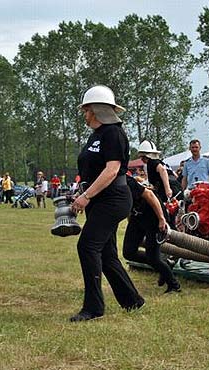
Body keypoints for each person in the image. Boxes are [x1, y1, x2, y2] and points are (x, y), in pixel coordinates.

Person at [70, 85, 144, 322]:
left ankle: (93, 308)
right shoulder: (97, 135)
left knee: (88, 247)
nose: (84, 114)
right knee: (107, 253)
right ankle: (132, 300)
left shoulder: (113, 133)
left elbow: (112, 170)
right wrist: (83, 192)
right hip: (100, 199)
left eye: (87, 109)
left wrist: (86, 196)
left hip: (113, 198)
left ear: (97, 110)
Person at [123, 175, 181, 293]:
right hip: (137, 216)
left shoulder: (126, 181)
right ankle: (164, 264)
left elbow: (150, 195)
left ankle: (174, 285)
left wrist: (161, 219)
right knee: (129, 253)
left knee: (153, 257)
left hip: (153, 216)